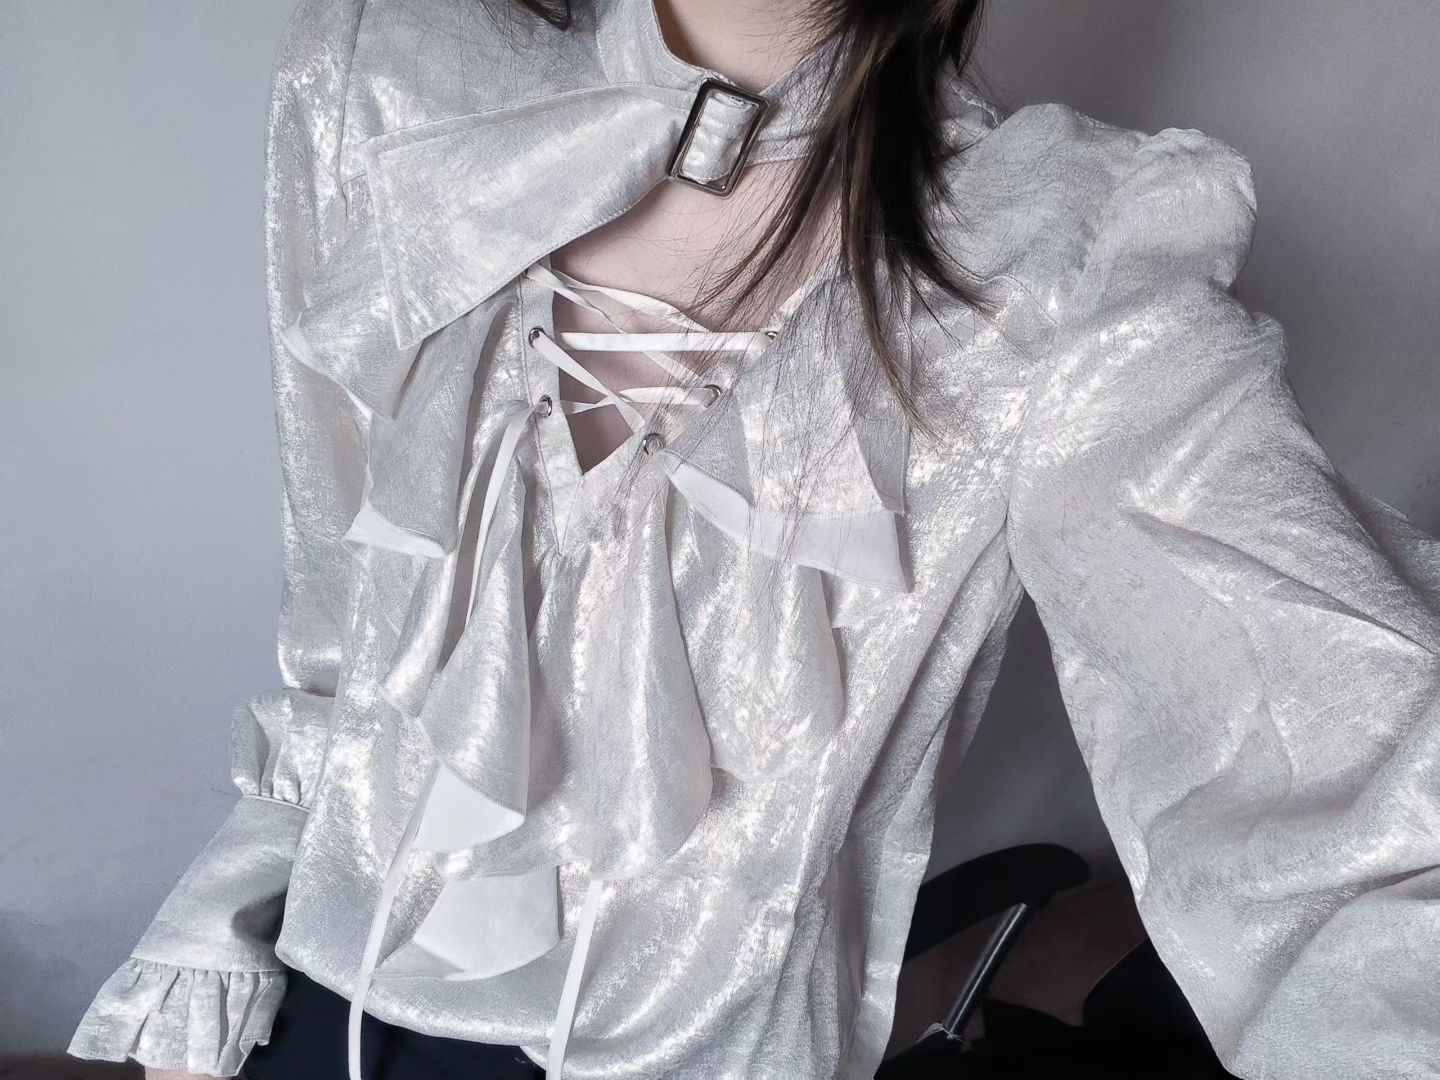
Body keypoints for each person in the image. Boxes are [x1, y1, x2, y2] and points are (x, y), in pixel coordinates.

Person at [69, 0, 1440, 1078]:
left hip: (700, 1048)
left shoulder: (1071, 258)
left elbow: (1352, 790)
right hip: (331, 988)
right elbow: (344, 576)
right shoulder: (390, 79)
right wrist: (235, 897)